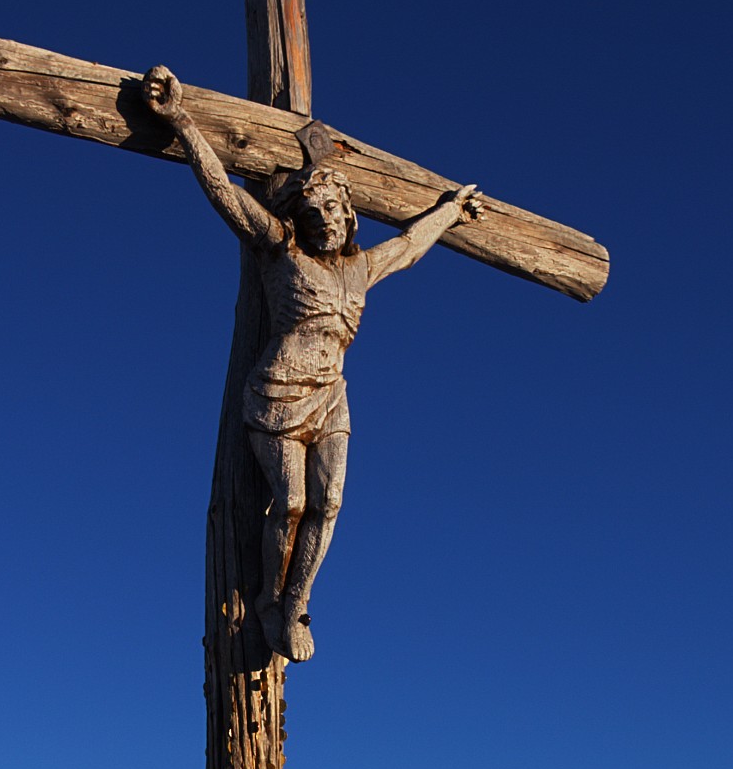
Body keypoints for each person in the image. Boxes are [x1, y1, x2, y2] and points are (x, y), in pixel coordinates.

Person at [139, 65, 483, 661]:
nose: (326, 219)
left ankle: (295, 603)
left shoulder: (359, 268)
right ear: (301, 216)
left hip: (333, 392)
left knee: (331, 503)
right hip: (277, 389)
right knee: (291, 502)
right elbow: (225, 190)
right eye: (316, 210)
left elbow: (408, 246)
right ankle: (270, 601)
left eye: (335, 210)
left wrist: (450, 212)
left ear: (349, 217)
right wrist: (182, 121)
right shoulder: (278, 247)